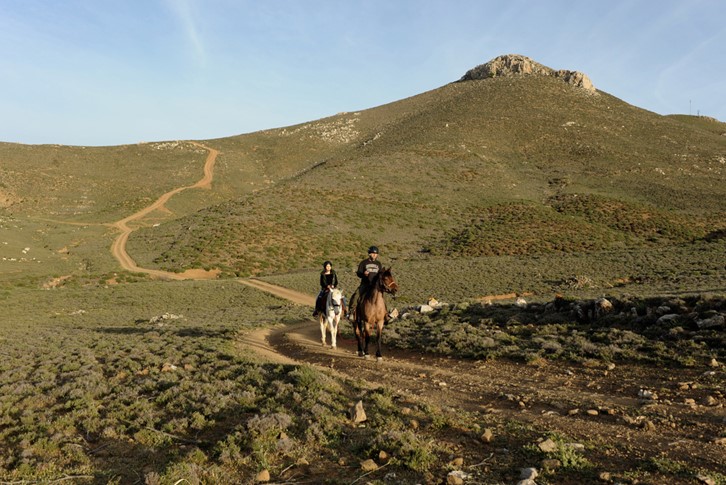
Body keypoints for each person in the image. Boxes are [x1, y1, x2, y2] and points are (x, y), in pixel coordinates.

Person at [347, 246, 382, 320]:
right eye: (373, 253)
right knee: (356, 295)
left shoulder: (378, 264)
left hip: (375, 286)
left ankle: (386, 314)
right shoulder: (363, 263)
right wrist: (363, 273)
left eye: (376, 254)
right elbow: (359, 273)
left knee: (382, 297)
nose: (374, 255)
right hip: (365, 284)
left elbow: (380, 274)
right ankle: (352, 312)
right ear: (369, 254)